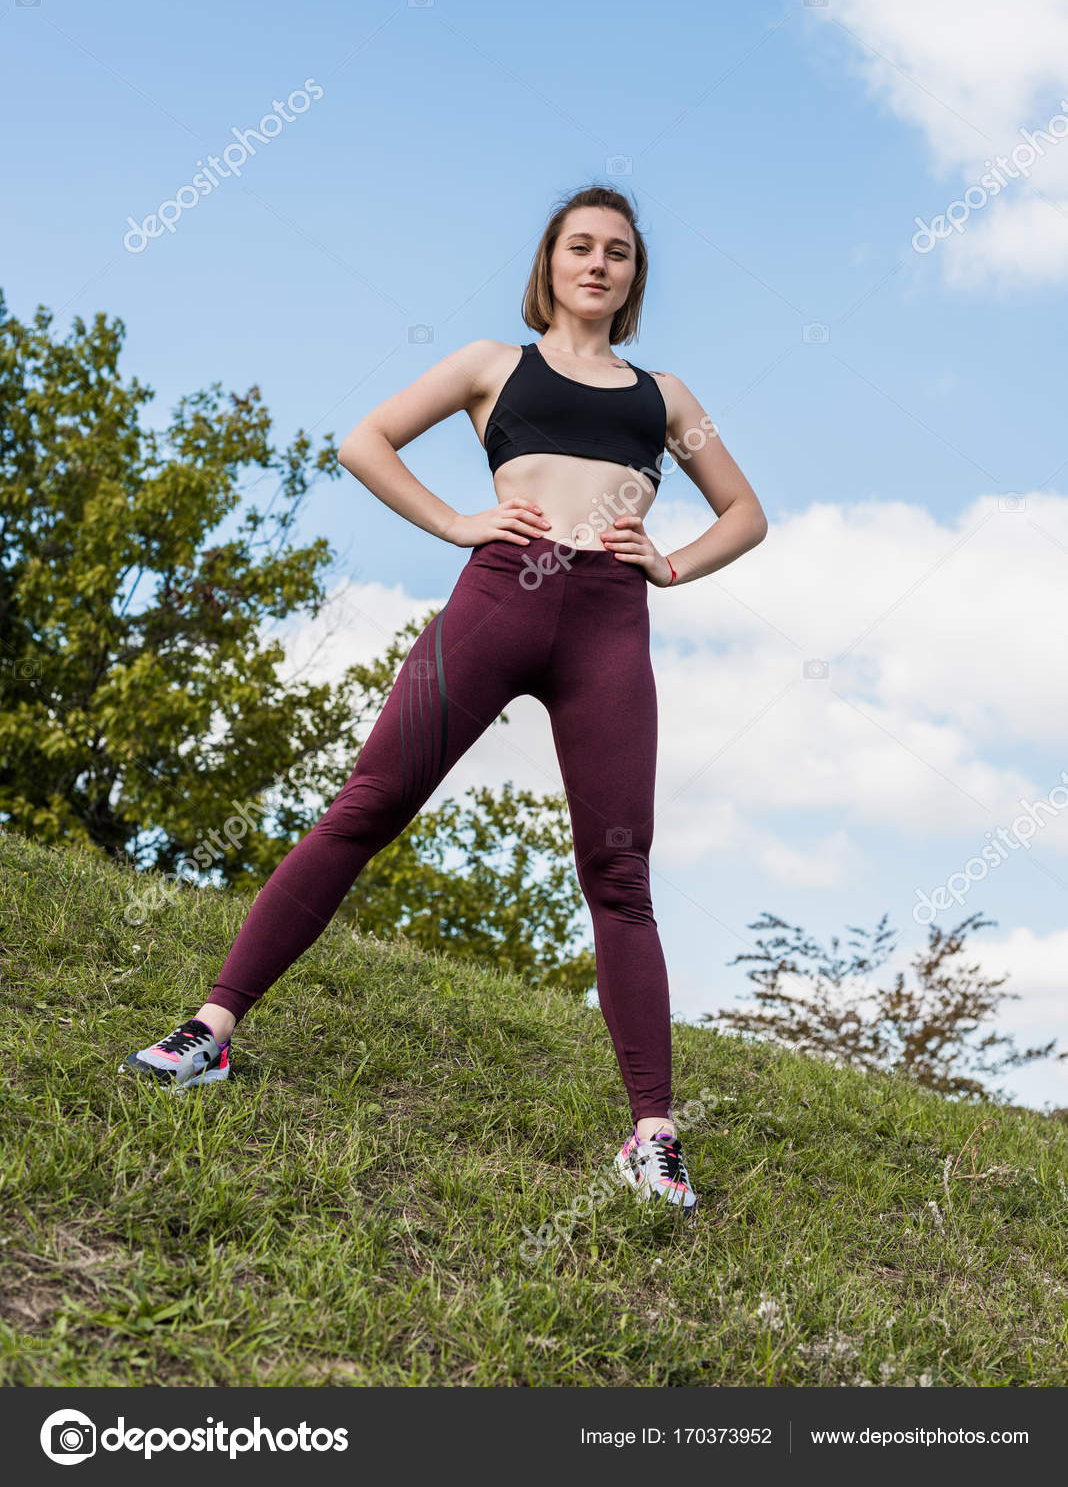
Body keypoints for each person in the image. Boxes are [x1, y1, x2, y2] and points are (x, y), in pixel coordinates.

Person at [121, 183, 768, 1222]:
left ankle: (652, 1132)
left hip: (608, 626)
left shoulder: (667, 397)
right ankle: (212, 1028)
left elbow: (746, 511)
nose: (599, 264)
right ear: (550, 263)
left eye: (619, 253)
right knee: (368, 803)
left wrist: (673, 563)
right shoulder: (489, 364)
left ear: (634, 276)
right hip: (498, 601)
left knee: (618, 865)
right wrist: (457, 522)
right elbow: (364, 439)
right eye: (580, 247)